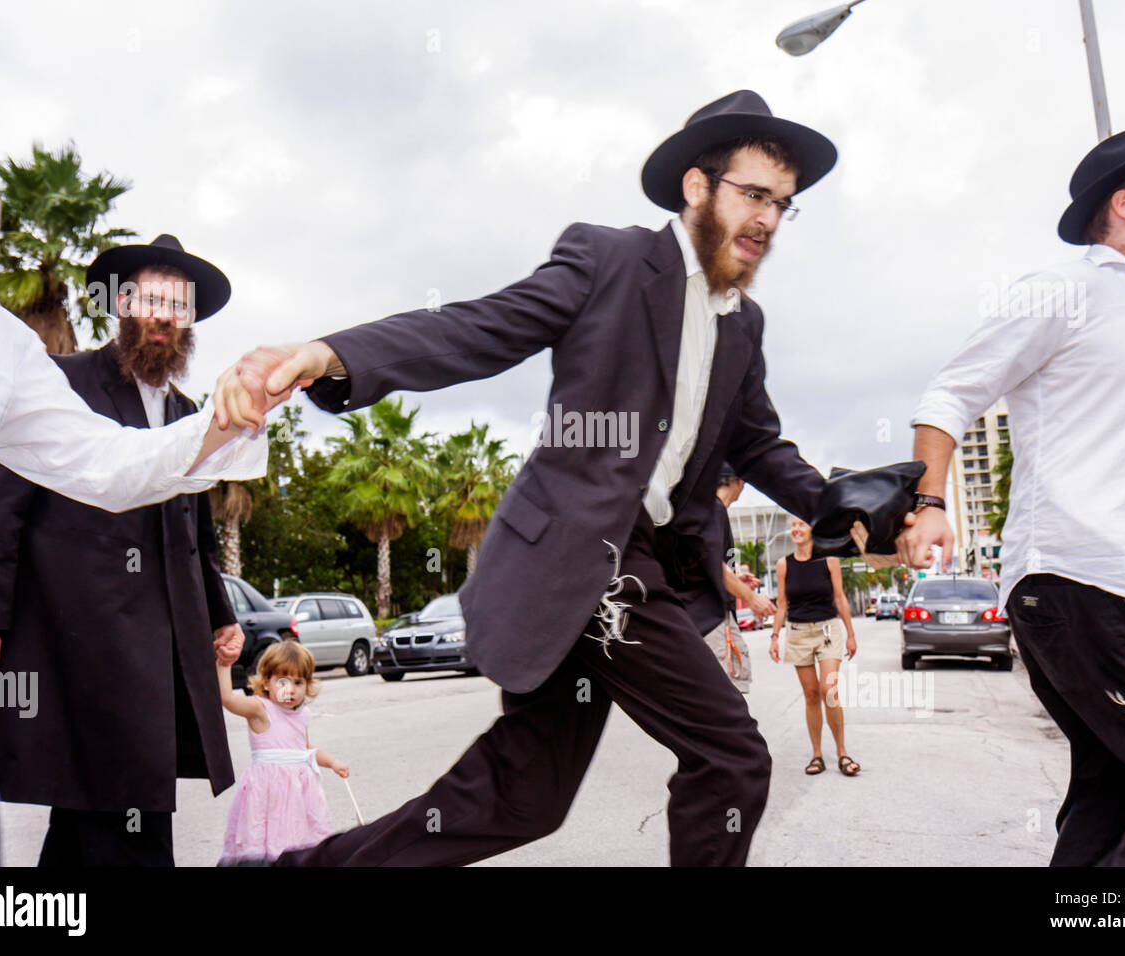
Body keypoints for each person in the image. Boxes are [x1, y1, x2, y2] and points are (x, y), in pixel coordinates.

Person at [214, 90, 867, 866]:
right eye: (753, 194)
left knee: (521, 797)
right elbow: (480, 327)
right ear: (698, 187)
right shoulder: (610, 260)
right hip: (584, 556)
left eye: (782, 205)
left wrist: (849, 506)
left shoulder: (742, 323)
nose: (767, 218)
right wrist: (333, 354)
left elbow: (758, 443)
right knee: (731, 757)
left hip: (648, 561)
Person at [0, 86, 270, 866]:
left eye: (176, 306)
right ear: (121, 304)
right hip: (80, 632)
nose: (162, 315)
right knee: (109, 801)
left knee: (115, 805)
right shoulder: (65, 379)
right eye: (149, 300)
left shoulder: (189, 407)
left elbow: (184, 525)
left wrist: (219, 611)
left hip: (162, 635)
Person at [899, 128, 1125, 865]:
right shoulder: (1070, 292)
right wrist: (928, 504)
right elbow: (952, 392)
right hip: (1095, 585)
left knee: (1115, 793)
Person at [217, 641, 348, 864]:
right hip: (269, 793)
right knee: (265, 843)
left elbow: (304, 750)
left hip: (299, 794)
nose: (291, 689)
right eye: (283, 681)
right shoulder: (260, 709)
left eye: (298, 682)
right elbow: (228, 699)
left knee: (299, 840)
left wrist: (333, 762)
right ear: (267, 683)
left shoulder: (303, 715)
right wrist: (223, 665)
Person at [769, 516, 859, 776]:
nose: (796, 529)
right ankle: (817, 755)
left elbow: (839, 598)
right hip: (797, 631)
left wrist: (851, 634)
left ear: (812, 530)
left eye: (802, 525)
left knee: (828, 688)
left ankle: (842, 752)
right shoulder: (783, 565)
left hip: (828, 628)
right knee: (810, 695)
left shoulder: (829, 560)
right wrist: (774, 636)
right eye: (793, 525)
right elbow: (783, 603)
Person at [677, 462, 775, 694]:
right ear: (739, 482)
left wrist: (736, 578)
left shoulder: (703, 510)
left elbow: (704, 562)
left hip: (698, 617)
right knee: (727, 695)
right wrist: (752, 598)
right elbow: (714, 565)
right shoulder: (715, 509)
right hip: (713, 618)